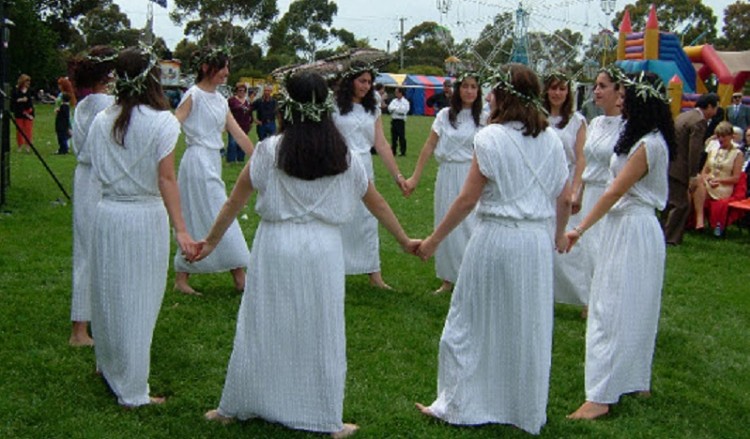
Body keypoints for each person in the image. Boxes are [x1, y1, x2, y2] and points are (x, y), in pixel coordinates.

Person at [197, 71, 418, 437]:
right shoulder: (343, 154)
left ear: (288, 106)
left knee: (262, 322)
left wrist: (209, 242)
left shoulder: (270, 150)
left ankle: (238, 406)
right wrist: (405, 240)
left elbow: (235, 202)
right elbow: (376, 204)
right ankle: (324, 418)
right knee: (321, 329)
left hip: (276, 247)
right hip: (323, 251)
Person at [414, 64, 571, 435]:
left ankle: (460, 403)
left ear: (502, 96)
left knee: (470, 320)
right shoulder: (551, 140)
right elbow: (564, 198)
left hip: (496, 238)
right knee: (526, 324)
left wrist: (434, 240)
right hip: (534, 245)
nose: (487, 97)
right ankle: (521, 408)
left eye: (492, 91)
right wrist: (557, 234)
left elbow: (468, 198)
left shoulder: (490, 138)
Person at [88, 46, 198, 407]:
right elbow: (166, 179)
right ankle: (133, 390)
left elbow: (89, 164)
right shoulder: (162, 122)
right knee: (138, 300)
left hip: (107, 215)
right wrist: (181, 230)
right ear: (153, 78)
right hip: (143, 217)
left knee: (108, 293)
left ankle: (108, 365)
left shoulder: (102, 119)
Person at [565, 72, 676, 420]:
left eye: (627, 96)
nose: (621, 101)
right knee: (626, 305)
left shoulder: (649, 145)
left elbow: (615, 192)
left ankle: (601, 395)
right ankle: (633, 379)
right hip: (628, 227)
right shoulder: (641, 137)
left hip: (632, 227)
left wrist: (579, 229)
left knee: (612, 308)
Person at [173, 47, 253, 295]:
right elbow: (174, 123)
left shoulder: (220, 100)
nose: (227, 73)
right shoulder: (193, 95)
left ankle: (184, 277)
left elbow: (237, 132)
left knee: (208, 215)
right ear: (207, 68)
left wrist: (259, 157)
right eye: (223, 67)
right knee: (215, 213)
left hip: (212, 160)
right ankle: (239, 276)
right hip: (196, 161)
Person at [332, 61, 409, 289]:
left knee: (367, 219)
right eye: (361, 81)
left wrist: (398, 176)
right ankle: (335, 268)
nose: (366, 86)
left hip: (364, 164)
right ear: (350, 81)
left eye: (369, 82)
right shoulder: (334, 106)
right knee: (338, 217)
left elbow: (382, 143)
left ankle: (374, 274)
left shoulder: (373, 105)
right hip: (339, 164)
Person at [405, 72, 483, 295]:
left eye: (474, 87)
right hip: (448, 173)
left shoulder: (485, 117)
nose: (469, 91)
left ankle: (471, 276)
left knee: (471, 225)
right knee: (445, 223)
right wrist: (415, 177)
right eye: (465, 86)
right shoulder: (444, 115)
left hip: (472, 175)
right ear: (458, 89)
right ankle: (448, 278)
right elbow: (429, 146)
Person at [68, 45, 118, 347]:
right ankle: (79, 329)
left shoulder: (84, 103)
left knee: (87, 249)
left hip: (85, 178)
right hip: (99, 178)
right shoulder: (107, 105)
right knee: (95, 252)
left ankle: (91, 320)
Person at [543, 71, 589, 308]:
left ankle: (583, 297)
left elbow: (581, 157)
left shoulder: (576, 121)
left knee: (566, 243)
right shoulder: (537, 118)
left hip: (566, 181)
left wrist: (575, 190)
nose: (557, 93)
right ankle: (544, 292)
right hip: (542, 183)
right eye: (553, 88)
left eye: (562, 89)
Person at [662, 92, 718, 245]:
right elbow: (694, 150)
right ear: (709, 107)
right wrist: (693, 174)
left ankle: (663, 234)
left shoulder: (682, 116)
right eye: (715, 108)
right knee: (681, 204)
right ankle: (670, 238)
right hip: (681, 167)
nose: (715, 112)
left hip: (670, 164)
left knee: (670, 203)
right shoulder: (699, 121)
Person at [691, 121, 744, 232]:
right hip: (708, 183)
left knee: (697, 186)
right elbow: (704, 171)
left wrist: (717, 180)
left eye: (723, 136)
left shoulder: (738, 154)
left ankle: (698, 220)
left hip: (723, 186)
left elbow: (735, 178)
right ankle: (697, 221)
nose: (720, 139)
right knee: (696, 181)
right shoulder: (713, 150)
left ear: (731, 136)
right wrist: (707, 179)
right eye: (718, 136)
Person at [226, 82, 254, 163]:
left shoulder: (247, 101)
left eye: (243, 91)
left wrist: (251, 122)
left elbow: (250, 112)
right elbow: (226, 112)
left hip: (245, 125)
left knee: (242, 143)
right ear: (236, 91)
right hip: (233, 124)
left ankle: (240, 159)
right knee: (232, 143)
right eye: (239, 90)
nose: (241, 92)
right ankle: (231, 160)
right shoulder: (231, 100)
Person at [11, 74, 34, 153]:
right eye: (26, 82)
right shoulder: (15, 90)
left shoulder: (29, 90)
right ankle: (20, 145)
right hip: (19, 112)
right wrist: (20, 100)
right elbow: (12, 101)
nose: (28, 83)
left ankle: (28, 146)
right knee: (19, 130)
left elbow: (30, 102)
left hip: (28, 112)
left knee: (28, 130)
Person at [387, 87, 409, 156]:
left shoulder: (405, 102)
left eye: (397, 92)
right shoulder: (394, 101)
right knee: (394, 137)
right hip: (394, 120)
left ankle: (403, 151)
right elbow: (389, 108)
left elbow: (403, 111)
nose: (395, 94)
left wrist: (395, 109)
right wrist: (397, 109)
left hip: (400, 121)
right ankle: (393, 151)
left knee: (401, 136)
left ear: (401, 93)